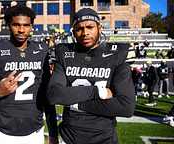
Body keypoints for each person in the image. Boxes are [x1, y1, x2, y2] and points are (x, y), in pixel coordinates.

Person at [47, 8, 135, 144]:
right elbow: (54, 95)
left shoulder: (117, 54)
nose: (85, 33)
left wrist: (77, 104)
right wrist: (98, 92)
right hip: (69, 136)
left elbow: (126, 106)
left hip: (104, 137)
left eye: (90, 27)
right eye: (79, 28)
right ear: (73, 31)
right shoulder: (63, 52)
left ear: (99, 28)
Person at [0, 4, 58, 144]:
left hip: (34, 126)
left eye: (26, 25)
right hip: (1, 124)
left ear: (31, 26)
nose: (21, 30)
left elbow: (47, 96)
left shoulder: (42, 50)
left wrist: (53, 132)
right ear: (8, 25)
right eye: (16, 25)